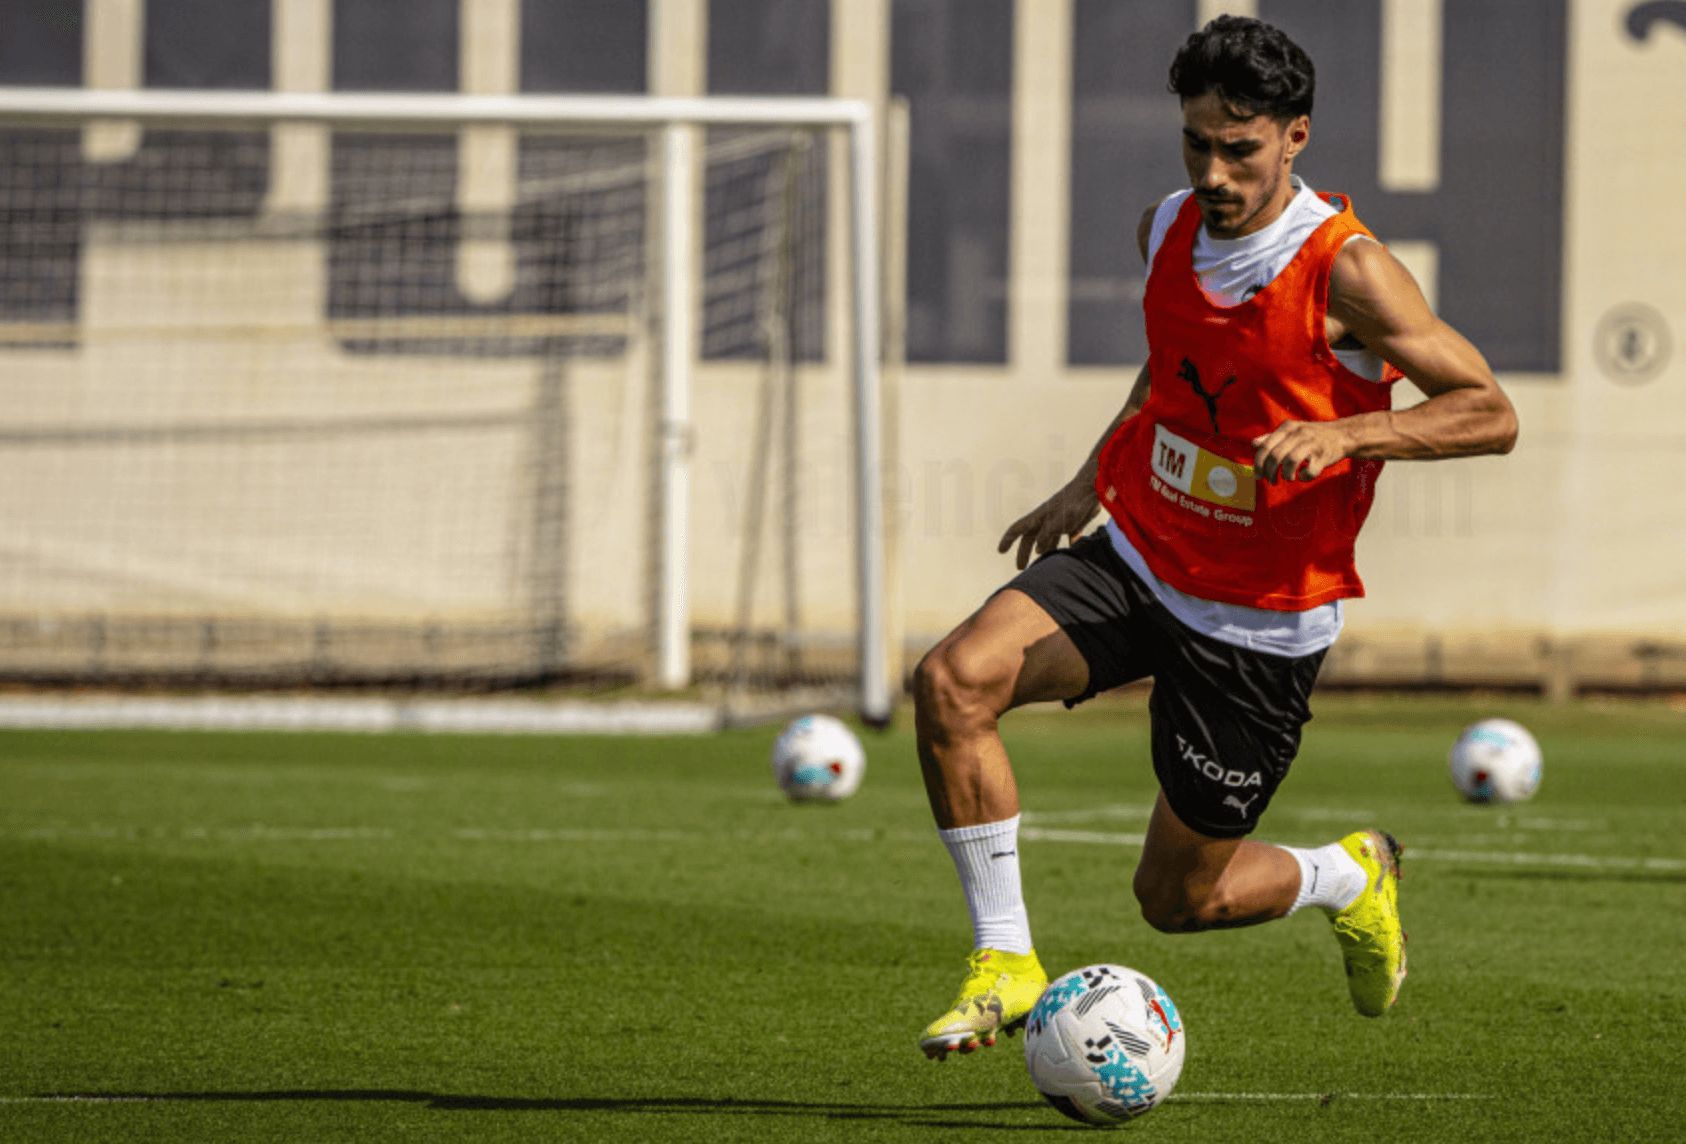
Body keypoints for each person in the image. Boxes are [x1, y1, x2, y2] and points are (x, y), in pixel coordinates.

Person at [916, 15, 1518, 1059]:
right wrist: (1088, 475)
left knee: (1177, 900)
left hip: (1259, 625)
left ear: (1295, 137)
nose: (1214, 171)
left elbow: (1487, 411)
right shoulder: (1164, 228)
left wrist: (1350, 429)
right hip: (1143, 554)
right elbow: (1174, 368)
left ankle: (1350, 875)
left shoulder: (1348, 271)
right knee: (952, 682)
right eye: (1197, 142)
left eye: (1239, 149)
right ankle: (1006, 958)